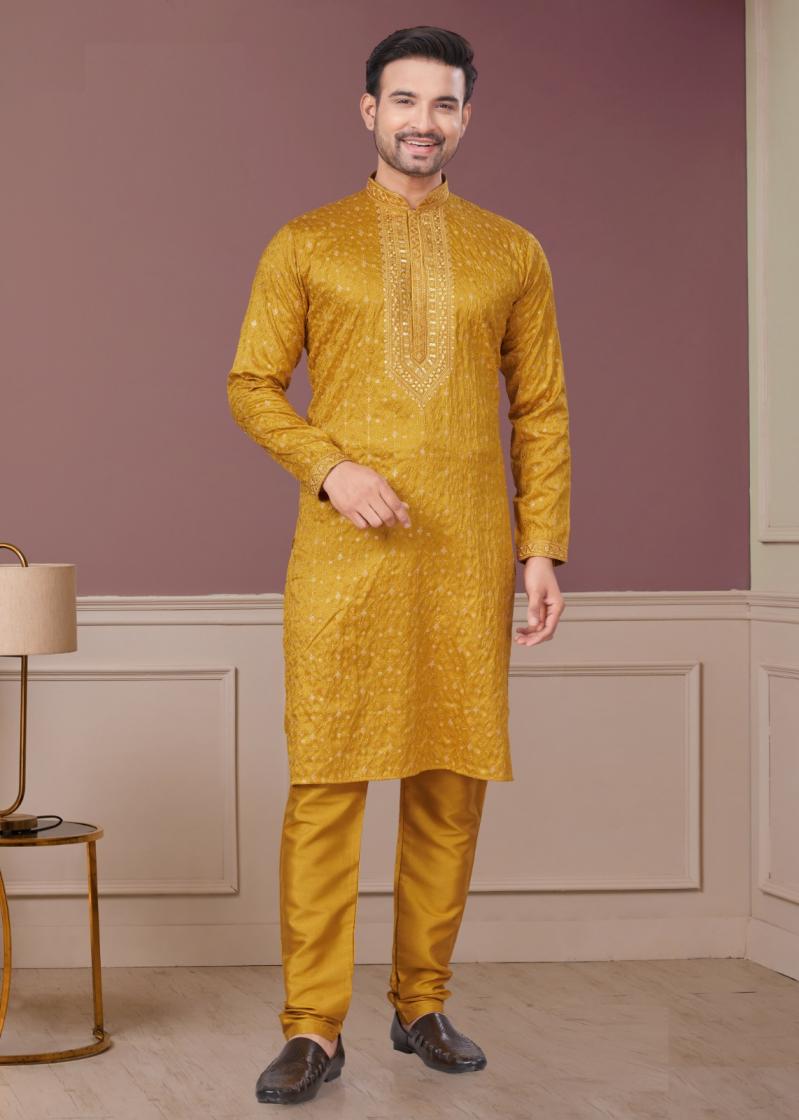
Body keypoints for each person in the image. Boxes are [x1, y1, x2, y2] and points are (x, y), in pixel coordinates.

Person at [227, 24, 571, 1106]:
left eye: (445, 103)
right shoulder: (307, 241)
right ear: (368, 110)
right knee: (325, 787)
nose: (425, 121)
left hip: (466, 554)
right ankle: (311, 1025)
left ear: (466, 117)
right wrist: (329, 469)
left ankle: (420, 1003)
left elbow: (541, 409)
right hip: (344, 556)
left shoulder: (512, 251)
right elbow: (250, 383)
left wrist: (541, 547)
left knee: (449, 785)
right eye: (406, 101)